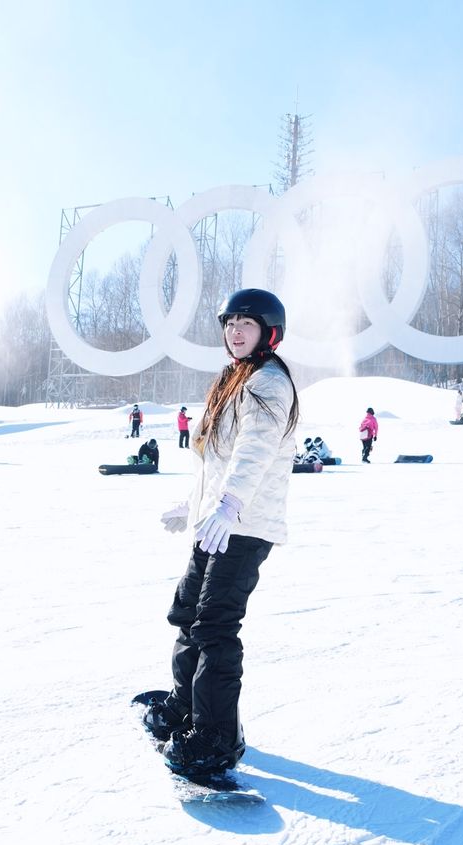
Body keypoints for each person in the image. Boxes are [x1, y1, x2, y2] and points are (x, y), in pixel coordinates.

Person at [144, 287, 299, 776]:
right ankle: (186, 708)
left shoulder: (268, 384)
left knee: (214, 626)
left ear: (267, 334)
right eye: (230, 323)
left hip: (245, 525)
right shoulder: (235, 380)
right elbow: (218, 460)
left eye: (246, 324)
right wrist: (193, 505)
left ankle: (216, 739)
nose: (235, 331)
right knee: (188, 613)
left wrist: (229, 506)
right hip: (216, 522)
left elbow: (254, 453)